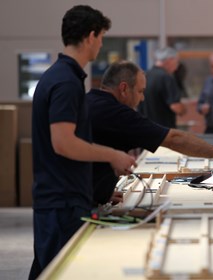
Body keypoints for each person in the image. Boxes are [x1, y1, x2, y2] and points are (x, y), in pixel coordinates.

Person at [29, 6, 136, 279]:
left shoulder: (62, 77)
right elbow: (63, 143)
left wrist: (93, 193)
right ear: (91, 36)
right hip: (61, 205)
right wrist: (113, 155)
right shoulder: (66, 82)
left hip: (64, 199)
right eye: (101, 37)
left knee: (49, 271)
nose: (101, 44)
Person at [86, 61, 213, 205]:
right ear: (123, 88)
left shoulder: (89, 101)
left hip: (83, 194)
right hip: (79, 203)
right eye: (140, 91)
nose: (142, 98)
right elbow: (174, 139)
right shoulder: (117, 114)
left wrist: (100, 193)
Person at [139, 47, 186, 128]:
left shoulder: (144, 76)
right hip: (163, 132)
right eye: (177, 62)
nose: (177, 67)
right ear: (170, 60)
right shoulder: (167, 77)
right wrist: (184, 109)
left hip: (145, 129)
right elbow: (176, 106)